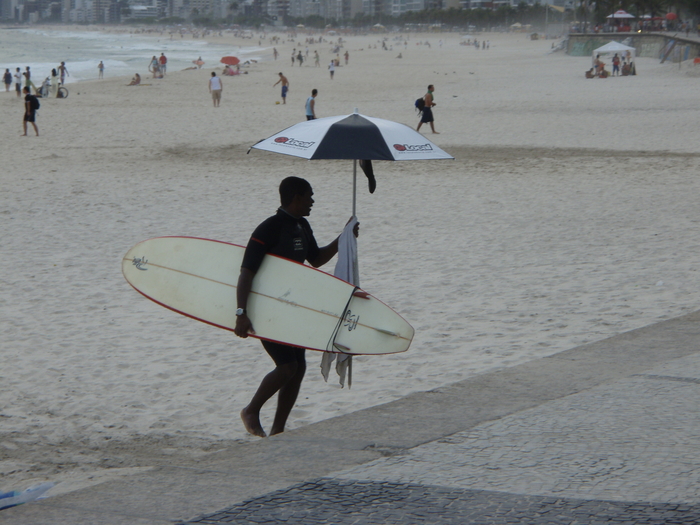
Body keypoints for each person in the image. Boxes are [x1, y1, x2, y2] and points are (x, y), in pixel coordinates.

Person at [235, 177, 359, 437]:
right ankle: (251, 410)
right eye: (309, 196)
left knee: (299, 368)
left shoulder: (302, 225)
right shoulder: (268, 229)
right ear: (296, 197)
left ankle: (279, 429)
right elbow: (246, 272)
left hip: (292, 308)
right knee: (287, 367)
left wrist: (343, 237)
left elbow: (315, 260)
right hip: (267, 308)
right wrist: (241, 313)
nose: (313, 201)